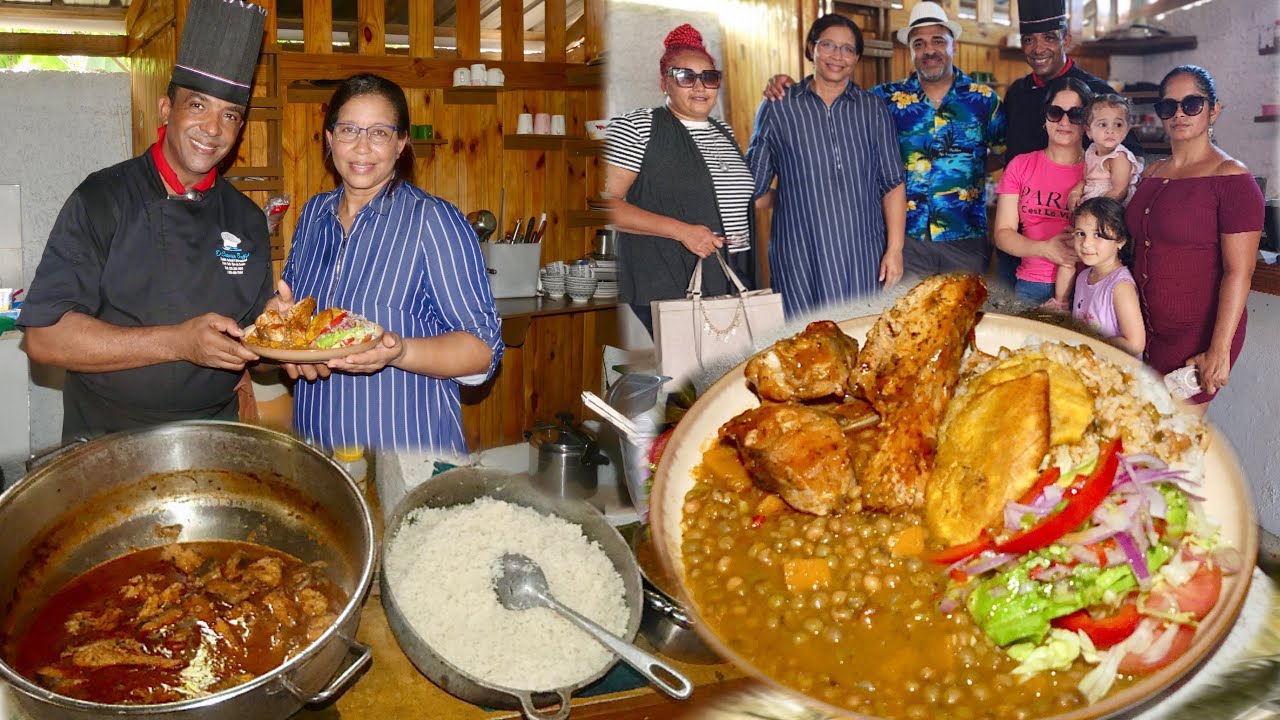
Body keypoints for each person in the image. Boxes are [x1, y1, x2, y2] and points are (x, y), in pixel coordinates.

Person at [18, 0, 272, 441]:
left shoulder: (248, 220)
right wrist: (178, 341)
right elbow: (44, 337)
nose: (213, 128)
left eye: (230, 114)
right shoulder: (102, 199)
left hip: (215, 433)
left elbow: (253, 347)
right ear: (165, 109)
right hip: (108, 438)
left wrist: (278, 335)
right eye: (198, 105)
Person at [271, 74, 503, 453]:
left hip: (407, 454)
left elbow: (482, 351)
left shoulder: (434, 220)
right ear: (330, 139)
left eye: (379, 133)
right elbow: (292, 309)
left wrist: (400, 352)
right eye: (348, 130)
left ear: (400, 144)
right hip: (319, 451)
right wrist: (281, 321)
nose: (362, 147)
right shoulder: (313, 214)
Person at [761, 3, 1004, 277]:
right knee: (903, 317)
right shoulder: (883, 100)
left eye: (938, 41)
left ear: (953, 46)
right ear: (911, 51)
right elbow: (833, 102)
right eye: (919, 43)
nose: (929, 50)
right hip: (903, 241)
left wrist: (968, 166)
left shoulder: (984, 99)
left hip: (966, 237)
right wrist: (791, 87)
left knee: (965, 315)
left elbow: (1005, 152)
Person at [745, 14, 906, 318]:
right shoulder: (779, 106)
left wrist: (894, 249)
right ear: (812, 48)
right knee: (805, 344)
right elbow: (752, 189)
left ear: (857, 57)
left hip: (863, 253)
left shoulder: (873, 109)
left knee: (863, 337)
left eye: (847, 49)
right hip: (799, 254)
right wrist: (795, 194)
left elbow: (892, 182)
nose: (837, 56)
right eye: (828, 45)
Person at [1127, 65, 1263, 412]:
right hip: (1141, 331)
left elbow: (1239, 273)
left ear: (1213, 109)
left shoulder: (1232, 179)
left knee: (1171, 446)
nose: (1179, 114)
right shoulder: (1153, 172)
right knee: (1134, 434)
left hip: (1194, 339)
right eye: (1168, 106)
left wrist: (1219, 350)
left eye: (1192, 104)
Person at [604, 24, 755, 335]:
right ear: (665, 82)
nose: (699, 86)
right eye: (685, 76)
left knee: (720, 375)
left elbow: (738, 198)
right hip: (670, 279)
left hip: (728, 275)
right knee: (691, 376)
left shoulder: (723, 132)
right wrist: (682, 232)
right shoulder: (641, 126)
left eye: (709, 77)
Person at [995, 0, 1144, 287]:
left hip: (1083, 259)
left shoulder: (1099, 94)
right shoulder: (1017, 93)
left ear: (1066, 39)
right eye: (1029, 40)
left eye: (1049, 37)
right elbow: (1006, 155)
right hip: (1018, 251)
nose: (1038, 48)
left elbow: (1129, 157)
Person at [992, 77, 1089, 305]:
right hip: (1030, 286)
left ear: (1088, 122)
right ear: (1045, 117)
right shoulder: (1021, 165)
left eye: (1075, 114)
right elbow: (1002, 234)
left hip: (1085, 287)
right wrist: (1045, 249)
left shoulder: (1098, 168)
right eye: (1056, 112)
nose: (1064, 121)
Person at [1049, 93, 1143, 307]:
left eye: (1118, 124)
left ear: (1127, 129)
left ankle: (1098, 300)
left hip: (1108, 215)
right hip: (1089, 213)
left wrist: (1092, 214)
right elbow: (1086, 179)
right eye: (1103, 124)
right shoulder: (1091, 152)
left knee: (1097, 258)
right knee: (1068, 253)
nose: (1111, 130)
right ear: (1089, 131)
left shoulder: (1119, 157)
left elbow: (1119, 191)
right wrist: (1075, 192)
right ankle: (1061, 301)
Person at [1069, 198, 1144, 356]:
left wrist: (1090, 344)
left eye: (1098, 235)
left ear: (1120, 240)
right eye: (1080, 233)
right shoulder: (1083, 277)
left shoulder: (1120, 286)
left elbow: (1135, 344)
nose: (1086, 244)